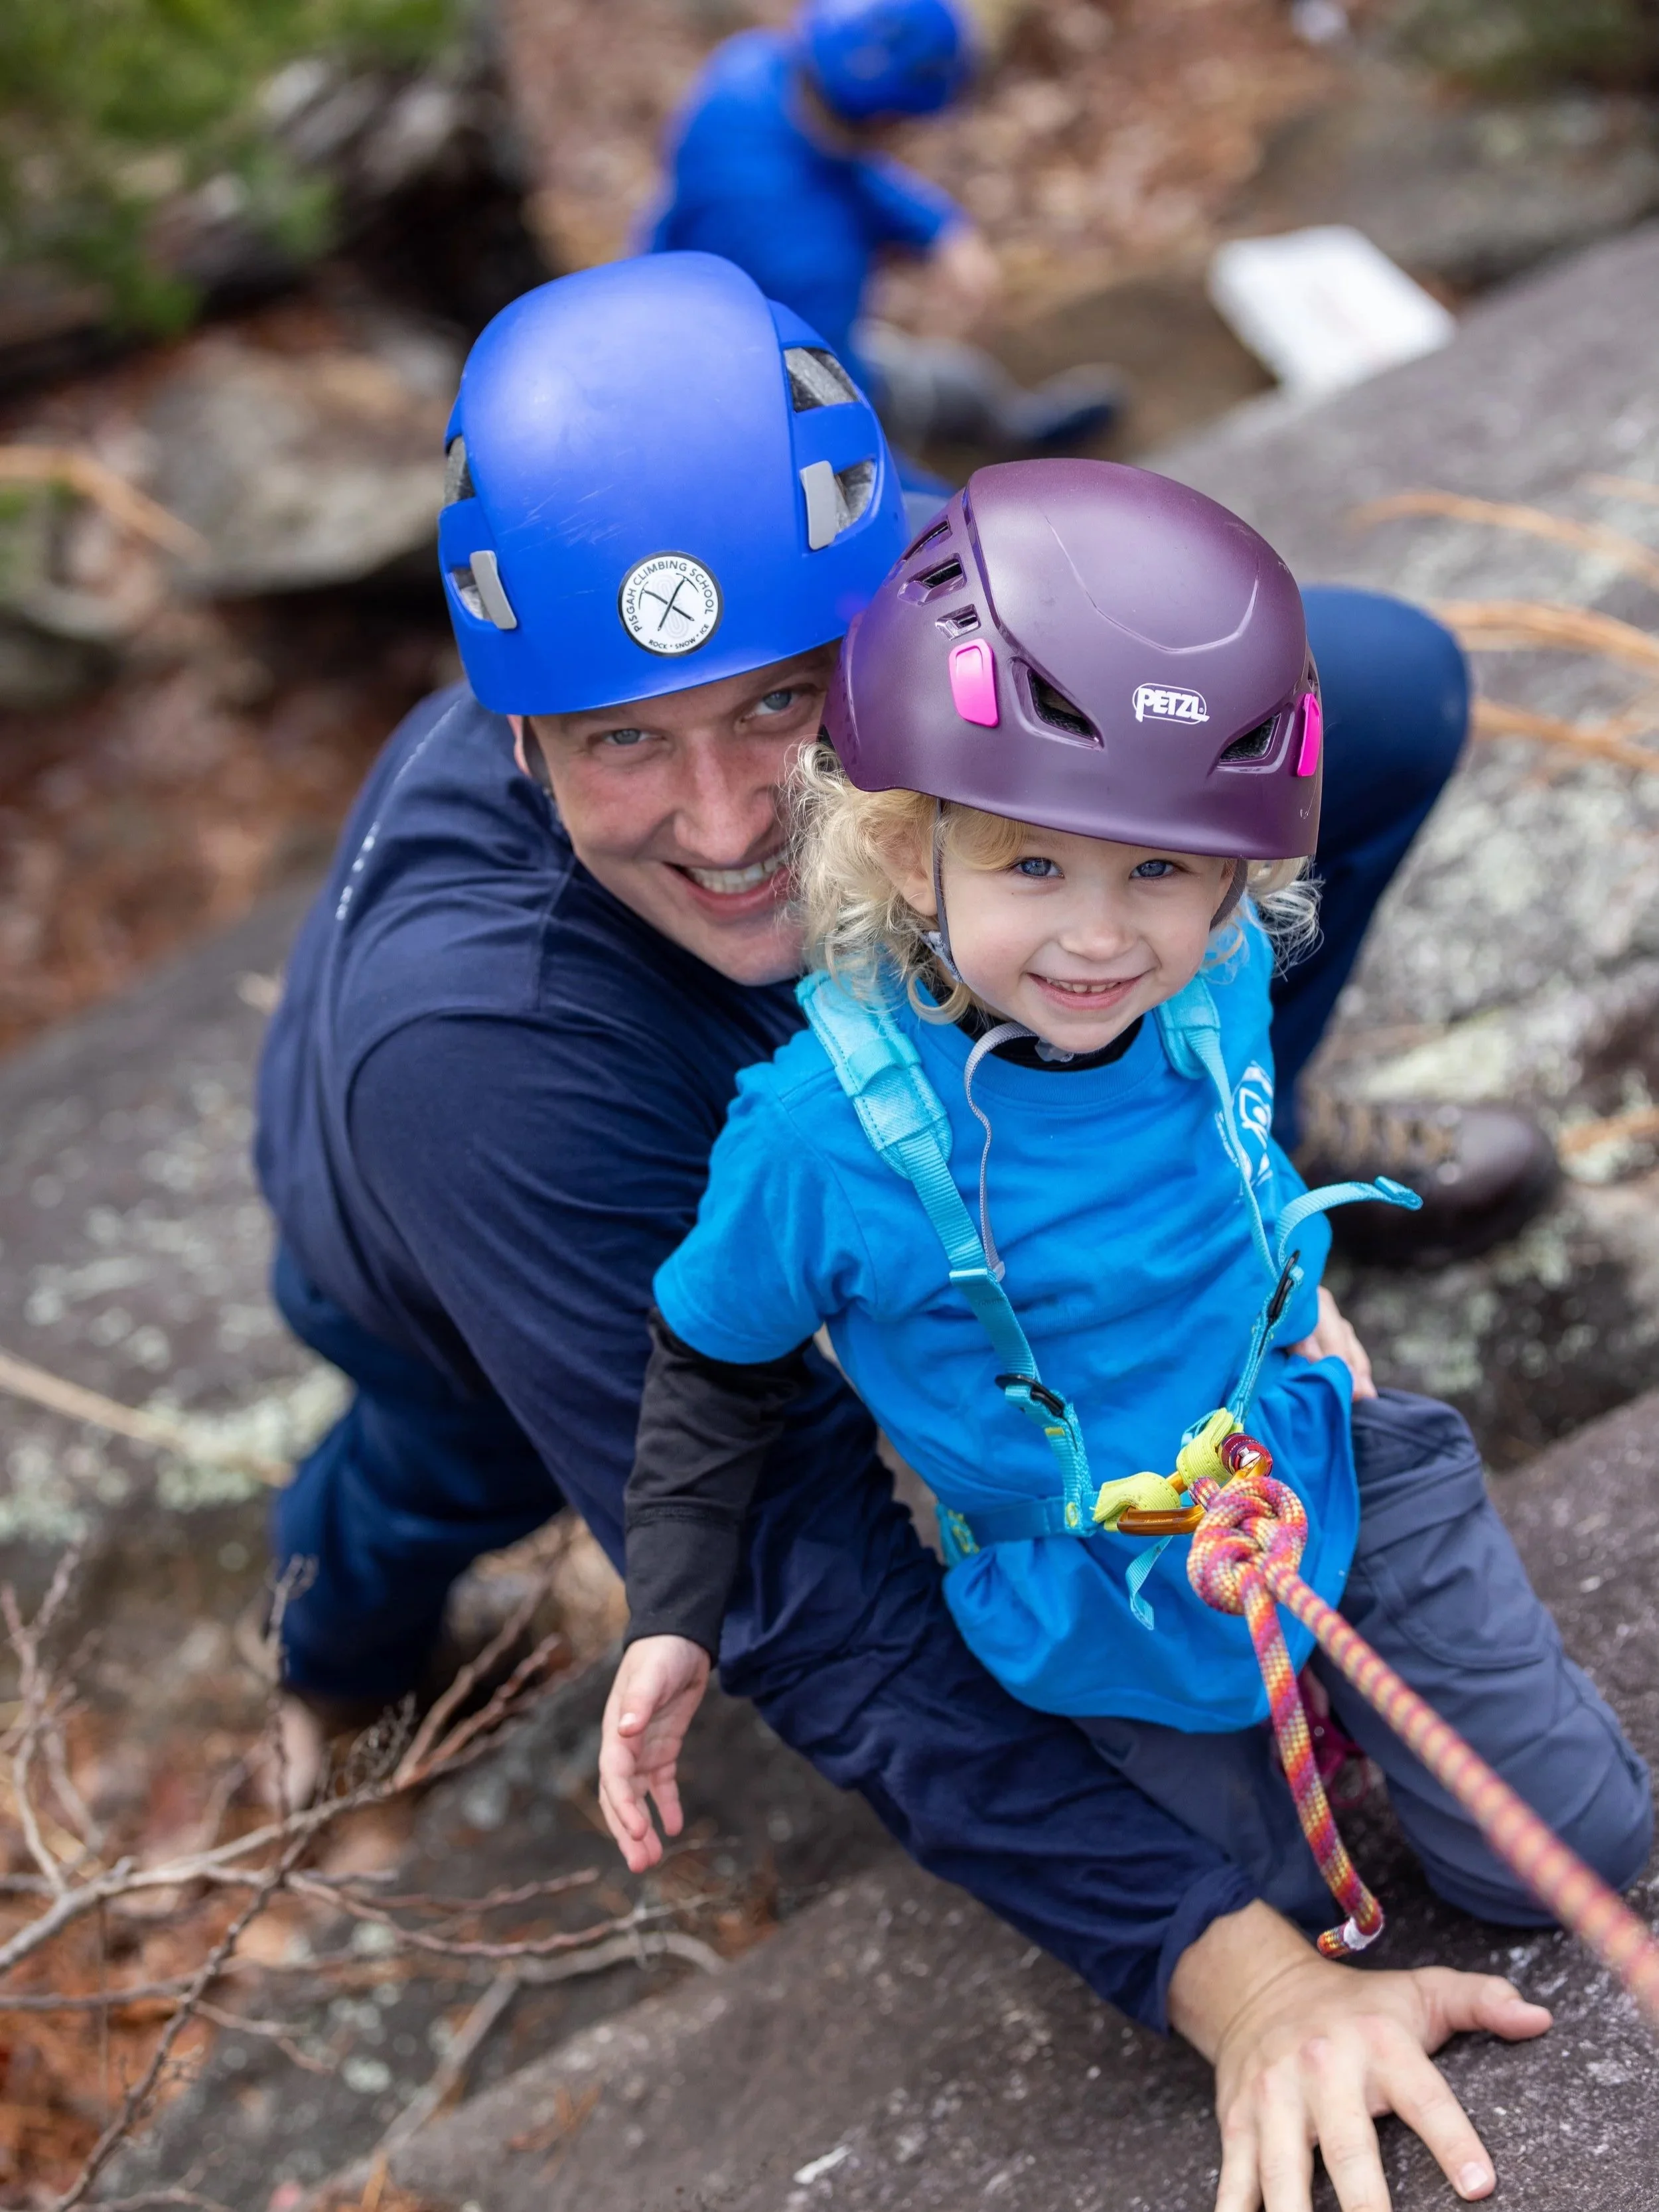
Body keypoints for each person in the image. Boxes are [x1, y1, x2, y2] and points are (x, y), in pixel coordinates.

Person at [258, 254, 1559, 2212]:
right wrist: (1243, 1984)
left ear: (876, 618)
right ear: (514, 730)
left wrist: (1207, 1148)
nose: (724, 824)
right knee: (426, 1471)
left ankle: (1193, 1153)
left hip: (897, 1084)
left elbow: (1255, 705)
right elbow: (802, 1585)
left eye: (784, 706)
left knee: (1363, 690)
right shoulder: (484, 1065)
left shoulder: (906, 579)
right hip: (465, 1251)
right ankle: (324, 1653)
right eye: (621, 738)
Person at [598, 459, 1650, 1988]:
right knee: (1279, 1919)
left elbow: (1221, 1152)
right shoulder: (824, 1145)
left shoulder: (1209, 971)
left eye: (1161, 870)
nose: (1101, 937)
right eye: (1032, 864)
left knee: (1572, 1857)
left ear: (1239, 874)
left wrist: (1306, 1304)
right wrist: (675, 1610)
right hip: (1103, 1586)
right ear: (909, 848)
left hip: (1316, 1458)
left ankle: (1362, 1685)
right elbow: (709, 1357)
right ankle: (1301, 1734)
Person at [644, 0, 1123, 467]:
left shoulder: (753, 67)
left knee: (958, 386)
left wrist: (939, 231)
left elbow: (837, 168)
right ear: (886, 120)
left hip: (676, 316)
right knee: (931, 439)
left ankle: (1016, 431)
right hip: (745, 404)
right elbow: (830, 408)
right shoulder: (809, 259)